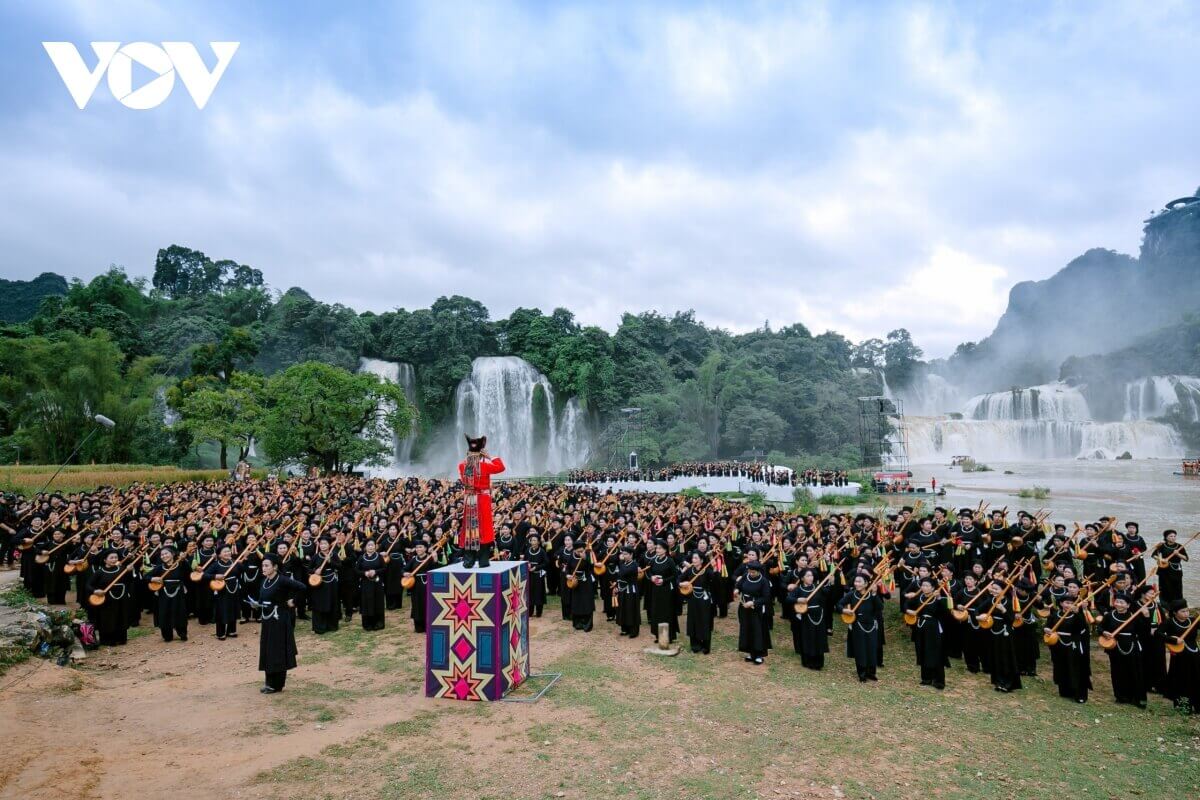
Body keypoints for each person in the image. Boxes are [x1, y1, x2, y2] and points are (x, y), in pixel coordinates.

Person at [256, 555, 307, 694]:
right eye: (263, 565)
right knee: (267, 649)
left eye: (267, 565)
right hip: (267, 620)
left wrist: (293, 601)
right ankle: (269, 682)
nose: (264, 568)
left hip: (279, 619)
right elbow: (263, 597)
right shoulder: (264, 581)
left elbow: (302, 587)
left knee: (277, 650)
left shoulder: (282, 580)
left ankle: (277, 684)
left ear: (275, 567)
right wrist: (257, 604)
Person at [458, 435, 506, 569]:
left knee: (470, 528)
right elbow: (501, 467)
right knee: (484, 529)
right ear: (481, 454)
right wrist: (490, 456)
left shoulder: (462, 466)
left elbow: (465, 478)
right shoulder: (485, 466)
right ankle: (484, 561)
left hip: (470, 499)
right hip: (483, 500)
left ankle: (469, 561)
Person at [840, 573, 882, 681]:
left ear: (866, 584)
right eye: (856, 581)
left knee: (871, 648)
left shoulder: (871, 595)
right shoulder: (851, 594)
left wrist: (874, 594)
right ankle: (862, 673)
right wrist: (845, 610)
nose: (857, 584)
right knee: (860, 649)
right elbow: (839, 605)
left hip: (871, 626)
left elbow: (880, 607)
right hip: (858, 625)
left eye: (859, 581)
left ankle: (871, 672)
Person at [786, 568, 829, 669]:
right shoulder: (799, 589)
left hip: (818, 616)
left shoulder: (818, 587)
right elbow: (788, 598)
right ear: (802, 578)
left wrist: (831, 583)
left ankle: (818, 663)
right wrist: (798, 599)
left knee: (818, 638)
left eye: (812, 576)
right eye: (808, 576)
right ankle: (808, 662)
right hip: (806, 617)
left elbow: (828, 593)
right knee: (807, 638)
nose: (811, 578)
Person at [148, 546, 189, 642]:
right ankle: (167, 635)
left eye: (166, 553)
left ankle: (182, 633)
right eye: (162, 554)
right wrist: (153, 578)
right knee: (165, 612)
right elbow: (146, 576)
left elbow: (189, 572)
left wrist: (184, 561)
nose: (164, 556)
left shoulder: (181, 564)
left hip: (178, 592)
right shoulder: (159, 567)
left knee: (180, 612)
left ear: (173, 554)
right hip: (164, 592)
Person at [736, 561, 772, 665]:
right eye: (750, 571)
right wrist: (736, 590)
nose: (751, 574)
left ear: (758, 571)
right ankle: (750, 652)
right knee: (747, 628)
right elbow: (739, 585)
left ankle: (759, 654)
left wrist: (754, 603)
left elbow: (766, 597)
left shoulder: (763, 581)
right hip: (744, 606)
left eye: (753, 572)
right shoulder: (745, 576)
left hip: (757, 609)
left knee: (757, 630)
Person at [681, 552, 714, 654]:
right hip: (692, 598)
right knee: (693, 620)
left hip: (704, 599)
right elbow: (679, 579)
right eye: (693, 558)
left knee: (704, 620)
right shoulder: (690, 570)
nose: (693, 560)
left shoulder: (707, 570)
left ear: (701, 560)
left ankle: (705, 646)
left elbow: (715, 579)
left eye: (696, 558)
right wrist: (682, 583)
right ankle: (695, 645)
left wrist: (715, 568)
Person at [356, 538, 387, 631]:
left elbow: (385, 568)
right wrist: (364, 573)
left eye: (372, 545)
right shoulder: (361, 557)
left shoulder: (379, 557)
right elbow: (356, 570)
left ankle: (378, 623)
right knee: (367, 603)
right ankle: (367, 624)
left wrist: (376, 571)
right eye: (368, 545)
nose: (371, 547)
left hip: (377, 583)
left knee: (378, 602)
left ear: (375, 546)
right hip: (366, 584)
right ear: (365, 547)